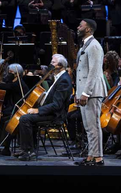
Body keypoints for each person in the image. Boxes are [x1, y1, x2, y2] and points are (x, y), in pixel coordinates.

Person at [16, 54, 72, 161]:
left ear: (60, 65)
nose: (50, 64)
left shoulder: (64, 80)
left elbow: (57, 105)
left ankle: (29, 151)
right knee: (26, 116)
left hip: (56, 115)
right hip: (51, 112)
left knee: (25, 119)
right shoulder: (58, 77)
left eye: (53, 62)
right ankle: (27, 149)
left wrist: (38, 110)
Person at [74, 19, 107, 166]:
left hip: (92, 92)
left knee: (93, 126)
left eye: (81, 26)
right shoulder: (85, 45)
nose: (78, 27)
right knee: (88, 127)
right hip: (85, 92)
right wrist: (77, 93)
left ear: (88, 29)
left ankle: (98, 157)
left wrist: (85, 93)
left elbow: (93, 72)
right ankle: (91, 156)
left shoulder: (94, 46)